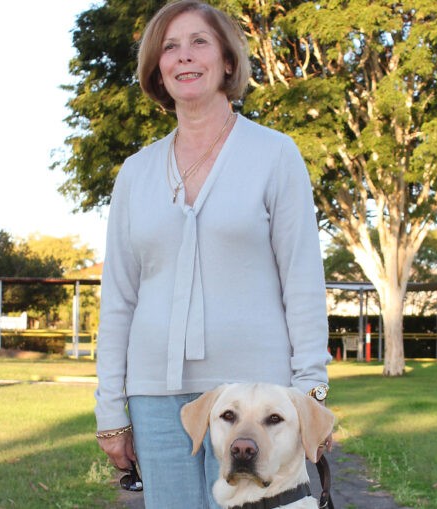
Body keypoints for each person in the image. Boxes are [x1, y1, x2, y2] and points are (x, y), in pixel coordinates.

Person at [93, 1, 331, 506]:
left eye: (199, 41)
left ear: (227, 59)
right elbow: (118, 299)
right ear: (157, 69)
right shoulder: (134, 173)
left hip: (259, 401)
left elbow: (303, 282)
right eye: (169, 47)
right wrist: (111, 410)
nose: (184, 56)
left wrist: (311, 394)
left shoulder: (275, 154)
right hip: (156, 398)